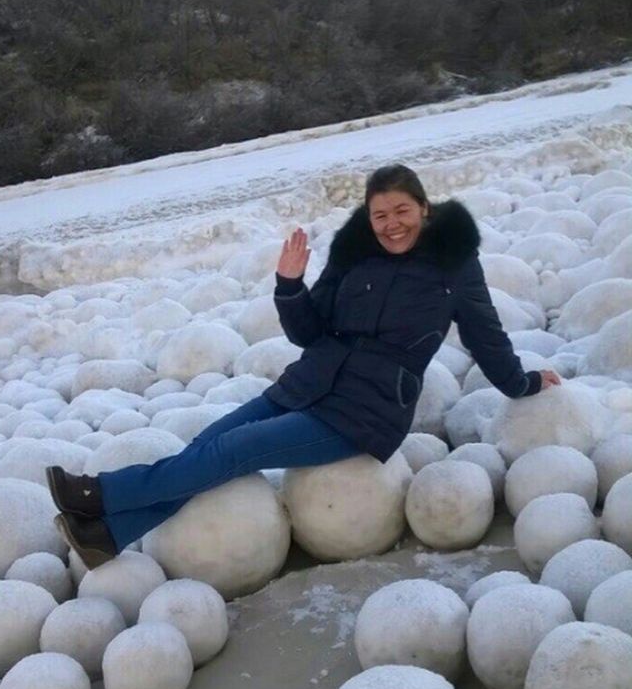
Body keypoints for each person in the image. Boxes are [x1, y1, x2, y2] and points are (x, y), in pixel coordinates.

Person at [48, 164, 561, 569]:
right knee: (208, 443)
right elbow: (309, 331)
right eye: (380, 216)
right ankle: (107, 536)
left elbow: (486, 336)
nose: (392, 224)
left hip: (363, 412)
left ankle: (101, 493)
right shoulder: (355, 253)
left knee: (231, 450)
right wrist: (289, 285)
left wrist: (523, 382)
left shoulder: (455, 266)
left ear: (424, 209)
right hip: (307, 383)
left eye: (402, 211)